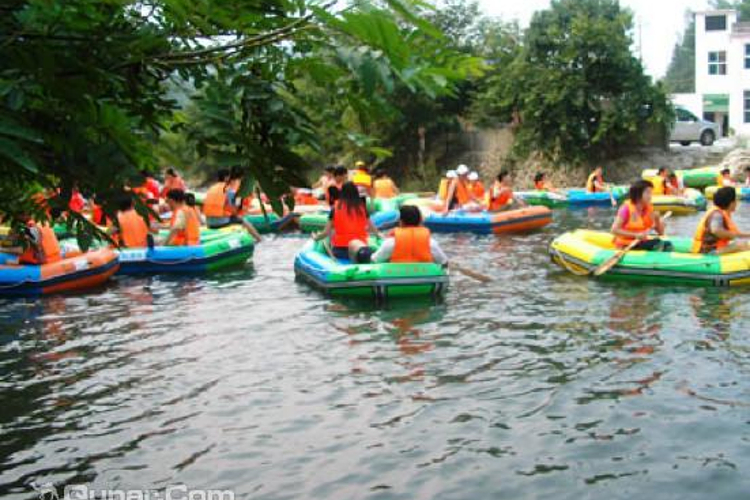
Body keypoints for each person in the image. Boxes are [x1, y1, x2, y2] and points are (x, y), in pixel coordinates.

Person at [314, 182, 381, 262]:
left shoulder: (336, 207)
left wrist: (316, 237)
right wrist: (380, 237)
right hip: (359, 249)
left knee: (328, 238)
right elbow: (373, 228)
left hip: (341, 250)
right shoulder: (362, 208)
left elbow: (326, 232)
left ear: (342, 193)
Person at [371, 206, 448, 265]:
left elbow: (375, 260)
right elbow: (443, 262)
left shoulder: (390, 243)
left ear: (401, 222)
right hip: (425, 280)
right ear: (419, 222)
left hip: (396, 279)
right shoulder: (430, 243)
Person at [203, 169, 262, 241]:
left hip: (209, 222)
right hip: (222, 222)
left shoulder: (211, 188)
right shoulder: (228, 190)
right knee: (243, 221)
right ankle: (259, 239)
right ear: (226, 178)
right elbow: (235, 208)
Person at [611, 180, 669, 251]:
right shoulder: (625, 209)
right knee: (657, 244)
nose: (650, 196)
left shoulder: (648, 209)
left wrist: (657, 220)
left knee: (666, 244)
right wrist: (635, 235)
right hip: (626, 243)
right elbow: (614, 230)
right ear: (638, 194)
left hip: (640, 242)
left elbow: (661, 233)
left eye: (651, 193)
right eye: (648, 193)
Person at [692, 186, 750, 254]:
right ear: (731, 203)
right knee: (742, 245)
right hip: (708, 251)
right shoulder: (717, 215)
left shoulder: (720, 212)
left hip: (713, 248)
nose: (736, 203)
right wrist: (732, 235)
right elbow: (716, 230)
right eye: (735, 200)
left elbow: (736, 234)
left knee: (743, 243)